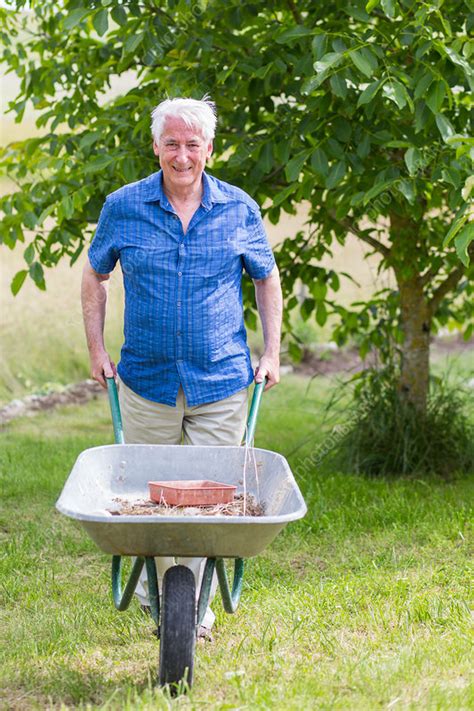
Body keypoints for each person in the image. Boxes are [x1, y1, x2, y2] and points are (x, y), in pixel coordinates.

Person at [81, 96, 282, 636]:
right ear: (155, 147)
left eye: (193, 144)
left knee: (207, 502)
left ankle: (191, 611)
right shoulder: (123, 206)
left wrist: (272, 352)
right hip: (145, 381)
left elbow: (266, 276)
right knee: (153, 498)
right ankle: (159, 594)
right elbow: (95, 276)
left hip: (219, 381)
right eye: (171, 142)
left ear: (209, 150)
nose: (182, 154)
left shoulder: (239, 209)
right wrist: (98, 351)